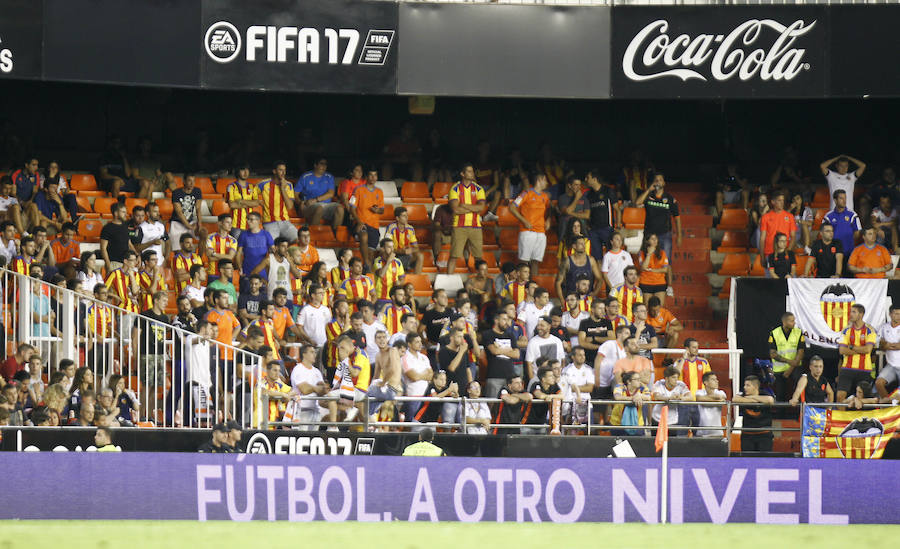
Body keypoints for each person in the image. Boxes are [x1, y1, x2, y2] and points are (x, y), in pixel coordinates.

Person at [447, 162, 486, 275]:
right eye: (469, 171)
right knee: (454, 256)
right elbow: (456, 210)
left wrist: (464, 205)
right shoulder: (455, 189)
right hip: (459, 226)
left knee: (478, 257)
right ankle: (448, 279)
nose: (472, 173)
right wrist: (474, 208)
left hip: (476, 226)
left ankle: (480, 279)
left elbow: (481, 208)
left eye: (472, 171)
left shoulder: (479, 188)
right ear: (462, 174)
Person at [509, 173, 550, 275]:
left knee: (536, 262)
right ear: (540, 180)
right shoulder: (526, 193)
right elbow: (512, 207)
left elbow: (549, 210)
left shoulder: (545, 196)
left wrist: (548, 220)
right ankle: (522, 285)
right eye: (545, 180)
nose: (547, 183)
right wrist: (524, 221)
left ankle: (533, 285)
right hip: (527, 232)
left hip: (541, 233)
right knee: (524, 262)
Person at [636, 173, 682, 260]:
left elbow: (677, 218)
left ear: (664, 183)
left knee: (666, 262)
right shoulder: (649, 196)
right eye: (656, 180)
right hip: (649, 234)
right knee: (647, 259)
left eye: (660, 180)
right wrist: (648, 190)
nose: (658, 182)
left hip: (664, 234)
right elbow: (637, 203)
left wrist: (679, 236)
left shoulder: (670, 198)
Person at [296, 157, 345, 231]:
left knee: (340, 208)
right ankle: (312, 234)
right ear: (315, 165)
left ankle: (335, 236)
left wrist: (316, 200)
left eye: (325, 164)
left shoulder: (329, 177)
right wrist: (300, 203)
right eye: (321, 164)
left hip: (326, 205)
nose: (324, 166)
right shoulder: (306, 176)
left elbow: (331, 194)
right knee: (319, 208)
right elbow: (295, 193)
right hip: (309, 205)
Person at [349, 168, 384, 269]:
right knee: (363, 236)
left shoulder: (379, 191)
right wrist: (359, 222)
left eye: (375, 175)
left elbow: (382, 210)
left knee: (371, 254)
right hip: (361, 223)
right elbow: (352, 207)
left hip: (374, 225)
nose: (373, 177)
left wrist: (377, 210)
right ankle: (366, 263)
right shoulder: (358, 190)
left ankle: (367, 271)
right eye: (371, 175)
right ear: (366, 177)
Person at [289, 345, 329, 430]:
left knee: (313, 438)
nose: (314, 354)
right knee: (301, 438)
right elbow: (304, 389)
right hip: (301, 410)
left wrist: (320, 388)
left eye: (315, 352)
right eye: (312, 352)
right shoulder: (298, 369)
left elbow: (322, 390)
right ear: (304, 354)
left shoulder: (317, 371)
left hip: (315, 410)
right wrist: (316, 388)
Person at [768, 312, 805, 402]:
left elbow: (801, 352)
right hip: (779, 369)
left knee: (800, 388)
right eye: (791, 321)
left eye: (794, 320)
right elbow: (773, 354)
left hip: (795, 367)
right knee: (780, 394)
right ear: (784, 322)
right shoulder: (774, 333)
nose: (794, 323)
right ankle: (781, 415)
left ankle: (800, 414)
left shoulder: (798, 332)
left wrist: (791, 367)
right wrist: (789, 362)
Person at [583, 170, 619, 262]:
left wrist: (618, 227)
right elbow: (587, 212)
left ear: (594, 179)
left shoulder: (608, 191)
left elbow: (617, 209)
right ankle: (599, 276)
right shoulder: (588, 195)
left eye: (588, 178)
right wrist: (588, 226)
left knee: (611, 255)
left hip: (607, 228)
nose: (585, 179)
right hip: (593, 230)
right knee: (596, 258)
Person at [733, 375, 775, 452]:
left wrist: (751, 398)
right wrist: (754, 399)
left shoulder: (765, 393)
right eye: (744, 385)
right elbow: (735, 399)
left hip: (764, 434)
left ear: (755, 387)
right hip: (747, 435)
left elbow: (770, 400)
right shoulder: (742, 394)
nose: (745, 387)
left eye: (748, 385)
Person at [259, 161, 298, 242]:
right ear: (274, 171)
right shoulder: (263, 184)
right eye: (280, 170)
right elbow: (251, 195)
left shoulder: (288, 185)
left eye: (284, 170)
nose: (283, 172)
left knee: (298, 240)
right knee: (271, 245)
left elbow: (290, 206)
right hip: (269, 223)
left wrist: (283, 188)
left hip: (285, 222)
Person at [556, 237, 603, 303]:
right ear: (574, 246)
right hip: (571, 300)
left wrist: (594, 293)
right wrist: (562, 300)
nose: (584, 246)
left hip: (587, 300)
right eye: (581, 244)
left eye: (584, 244)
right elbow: (558, 283)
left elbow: (600, 279)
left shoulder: (591, 260)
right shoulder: (567, 261)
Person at [650, 366, 690, 434]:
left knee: (671, 443)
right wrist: (670, 398)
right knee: (656, 443)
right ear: (666, 378)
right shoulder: (659, 383)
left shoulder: (680, 384)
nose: (676, 380)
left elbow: (690, 397)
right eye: (673, 377)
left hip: (672, 421)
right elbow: (656, 396)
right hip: (657, 419)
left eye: (677, 377)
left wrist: (680, 397)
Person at [595, 325, 630, 402]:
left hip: (614, 380)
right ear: (619, 334)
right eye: (626, 333)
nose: (628, 336)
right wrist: (596, 377)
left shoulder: (625, 350)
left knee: (610, 403)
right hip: (602, 380)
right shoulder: (609, 344)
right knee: (599, 406)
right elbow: (598, 359)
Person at [524, 316, 565, 382]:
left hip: (556, 380)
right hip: (540, 380)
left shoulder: (557, 341)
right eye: (538, 325)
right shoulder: (532, 342)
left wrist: (560, 377)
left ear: (549, 326)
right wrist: (532, 381)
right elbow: (529, 364)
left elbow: (562, 360)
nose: (539, 328)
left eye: (542, 325)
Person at [227, 164, 263, 239]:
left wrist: (241, 201)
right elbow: (232, 205)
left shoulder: (253, 187)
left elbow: (256, 203)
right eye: (243, 170)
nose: (245, 172)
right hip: (235, 225)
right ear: (238, 172)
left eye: (247, 170)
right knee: (236, 247)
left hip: (250, 224)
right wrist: (250, 203)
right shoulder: (231, 187)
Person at [385, 206, 424, 275]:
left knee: (420, 255)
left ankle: (417, 278)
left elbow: (416, 248)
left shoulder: (410, 229)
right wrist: (400, 251)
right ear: (397, 218)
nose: (406, 218)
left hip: (406, 256)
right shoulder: (391, 228)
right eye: (404, 216)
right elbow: (387, 248)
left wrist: (411, 250)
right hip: (394, 255)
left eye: (407, 215)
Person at [823, 190, 861, 258]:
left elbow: (857, 232)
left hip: (849, 253)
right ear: (835, 200)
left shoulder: (853, 215)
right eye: (841, 198)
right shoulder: (828, 216)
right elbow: (824, 233)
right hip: (833, 253)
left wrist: (848, 241)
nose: (844, 201)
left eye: (845, 198)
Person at [758, 192, 797, 258]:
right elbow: (762, 238)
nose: (782, 203)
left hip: (784, 253)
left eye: (783, 200)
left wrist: (788, 251)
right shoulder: (765, 217)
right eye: (779, 200)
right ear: (773, 202)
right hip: (769, 253)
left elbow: (793, 237)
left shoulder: (790, 216)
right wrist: (762, 256)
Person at [237, 212, 275, 280]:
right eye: (248, 219)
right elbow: (239, 253)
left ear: (258, 221)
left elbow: (273, 250)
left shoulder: (266, 234)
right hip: (247, 271)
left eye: (251, 219)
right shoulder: (243, 234)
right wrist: (240, 268)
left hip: (262, 272)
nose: (248, 222)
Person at [610, 371, 650, 435]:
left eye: (640, 379)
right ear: (629, 381)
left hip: (637, 424)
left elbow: (648, 397)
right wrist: (632, 398)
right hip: (618, 423)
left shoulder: (643, 387)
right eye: (636, 379)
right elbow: (617, 397)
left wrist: (640, 395)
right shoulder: (620, 386)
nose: (639, 381)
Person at [170, 174, 202, 252]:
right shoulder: (176, 193)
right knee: (178, 249)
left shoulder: (197, 191)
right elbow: (179, 212)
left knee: (203, 232)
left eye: (193, 181)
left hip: (190, 221)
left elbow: (198, 209)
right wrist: (189, 226)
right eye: (189, 181)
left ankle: (200, 257)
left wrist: (199, 224)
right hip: (177, 222)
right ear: (184, 181)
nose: (192, 183)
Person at [99, 202, 134, 273]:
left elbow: (129, 243)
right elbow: (103, 248)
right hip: (114, 263)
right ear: (116, 213)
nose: (125, 214)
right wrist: (108, 263)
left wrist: (136, 255)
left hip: (126, 263)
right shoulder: (107, 228)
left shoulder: (125, 226)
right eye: (123, 212)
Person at [203, 214, 238, 282]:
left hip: (227, 274)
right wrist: (226, 256)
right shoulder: (210, 237)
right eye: (227, 222)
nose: (230, 225)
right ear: (220, 223)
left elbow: (230, 257)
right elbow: (210, 258)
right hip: (213, 274)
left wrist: (214, 254)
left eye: (231, 223)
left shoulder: (233, 240)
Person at [578, 299, 613, 366]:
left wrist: (594, 338)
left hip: (605, 359)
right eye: (600, 308)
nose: (603, 311)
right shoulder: (584, 323)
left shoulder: (607, 322)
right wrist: (600, 347)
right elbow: (582, 342)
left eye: (603, 308)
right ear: (593, 310)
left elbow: (612, 338)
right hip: (589, 359)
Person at [876, 305, 900, 399]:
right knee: (879, 383)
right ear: (890, 314)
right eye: (896, 314)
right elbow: (881, 345)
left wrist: (888, 345)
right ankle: (888, 406)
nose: (898, 316)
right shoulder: (884, 327)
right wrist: (895, 345)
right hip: (891, 365)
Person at [695, 372, 727, 437]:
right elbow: (699, 398)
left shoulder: (721, 392)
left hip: (717, 433)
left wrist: (706, 400)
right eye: (713, 379)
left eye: (716, 379)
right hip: (701, 433)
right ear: (705, 382)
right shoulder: (699, 392)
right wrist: (717, 401)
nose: (717, 381)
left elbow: (720, 397)